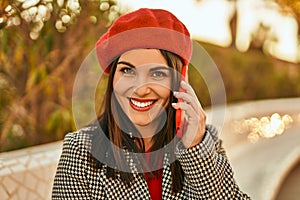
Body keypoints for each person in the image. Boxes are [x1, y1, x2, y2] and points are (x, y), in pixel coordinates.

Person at [52, 8, 251, 199]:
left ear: (180, 81)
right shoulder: (80, 150)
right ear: (113, 78)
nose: (140, 89)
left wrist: (195, 150)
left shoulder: (205, 141)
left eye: (157, 74)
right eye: (127, 71)